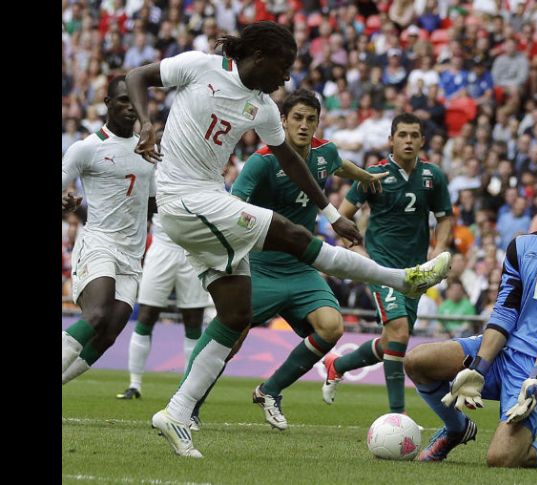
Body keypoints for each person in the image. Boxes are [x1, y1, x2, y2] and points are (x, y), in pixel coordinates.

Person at [125, 22, 450, 458]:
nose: (287, 77)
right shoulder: (198, 66)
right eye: (284, 67)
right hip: (183, 199)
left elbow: (294, 164)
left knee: (236, 315)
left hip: (205, 202)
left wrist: (332, 215)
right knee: (290, 232)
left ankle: (177, 413)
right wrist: (146, 123)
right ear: (259, 56)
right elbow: (136, 76)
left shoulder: (261, 106)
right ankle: (402, 279)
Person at [193, 89, 390, 431]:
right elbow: (234, 203)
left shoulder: (324, 153)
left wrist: (365, 177)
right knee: (230, 338)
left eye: (310, 119)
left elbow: (339, 165)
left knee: (332, 326)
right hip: (260, 268)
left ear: (317, 123)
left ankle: (270, 391)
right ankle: (188, 405)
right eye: (297, 118)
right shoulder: (263, 161)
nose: (303, 125)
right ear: (282, 121)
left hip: (300, 268)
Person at [404, 167, 537, 470]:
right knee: (417, 361)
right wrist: (479, 367)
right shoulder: (521, 246)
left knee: (502, 459)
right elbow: (504, 312)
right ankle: (457, 428)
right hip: (503, 351)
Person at [322, 112, 453, 417]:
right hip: (382, 267)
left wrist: (439, 250)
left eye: (414, 135)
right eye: (402, 135)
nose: (408, 140)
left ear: (422, 140)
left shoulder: (432, 176)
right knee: (400, 332)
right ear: (391, 140)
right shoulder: (373, 175)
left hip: (416, 273)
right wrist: (359, 253)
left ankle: (337, 364)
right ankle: (398, 416)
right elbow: (342, 217)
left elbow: (445, 218)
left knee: (391, 341)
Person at [61, 76, 157, 384]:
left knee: (108, 333)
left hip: (132, 254)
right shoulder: (86, 148)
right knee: (97, 314)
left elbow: (153, 204)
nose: (130, 107)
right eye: (123, 100)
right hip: (99, 242)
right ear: (108, 104)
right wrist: (65, 203)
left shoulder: (148, 149)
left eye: (134, 102)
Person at [114, 212, 211, 407]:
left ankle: (188, 388)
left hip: (194, 248)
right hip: (162, 246)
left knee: (193, 320)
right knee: (147, 315)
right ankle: (134, 384)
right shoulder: (156, 188)